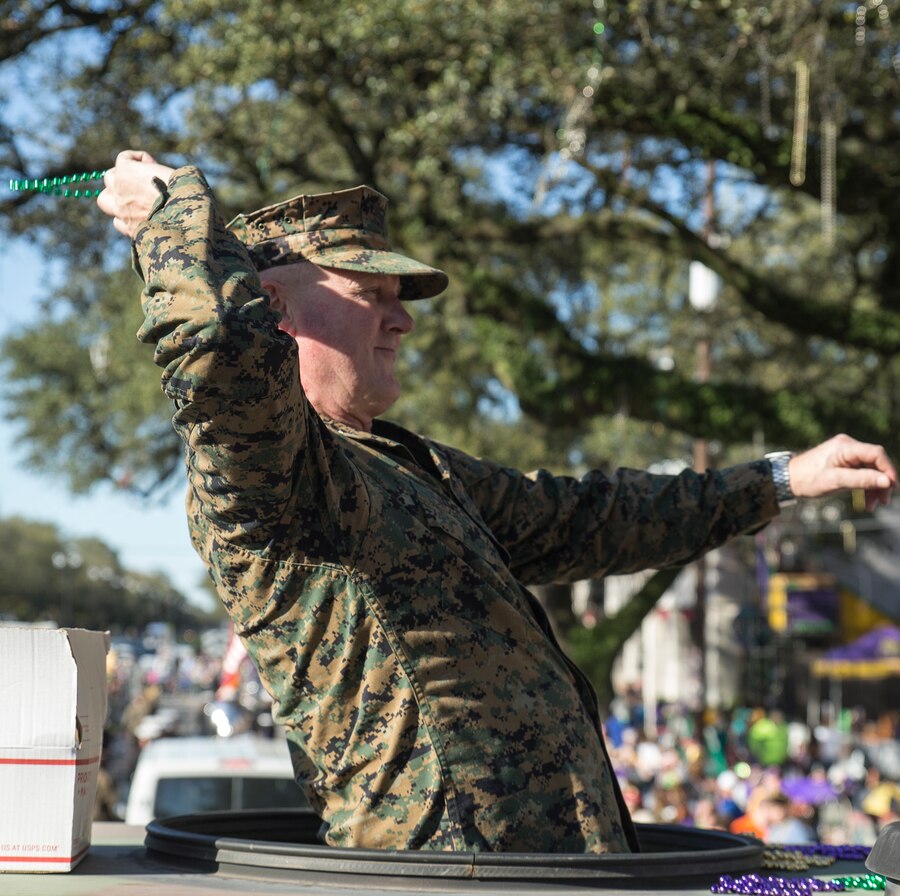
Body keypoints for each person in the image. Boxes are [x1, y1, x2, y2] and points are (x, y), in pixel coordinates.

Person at [97, 149, 896, 854]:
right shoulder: (279, 477)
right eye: (370, 291)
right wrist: (170, 216)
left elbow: (587, 517)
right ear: (274, 303)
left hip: (549, 869)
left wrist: (778, 479)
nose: (402, 318)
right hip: (448, 878)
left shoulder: (411, 464)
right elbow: (215, 348)